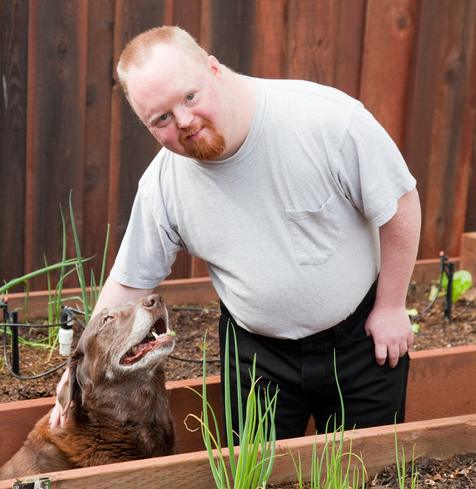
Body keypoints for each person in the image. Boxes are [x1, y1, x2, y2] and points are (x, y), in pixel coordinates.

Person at [50, 25, 421, 440]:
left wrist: (391, 307)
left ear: (214, 68)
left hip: (361, 338)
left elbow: (400, 205)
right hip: (256, 355)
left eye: (190, 96)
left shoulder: (325, 121)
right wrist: (77, 371)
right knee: (254, 479)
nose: (185, 121)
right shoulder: (163, 186)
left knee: (366, 473)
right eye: (162, 118)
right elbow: (131, 280)